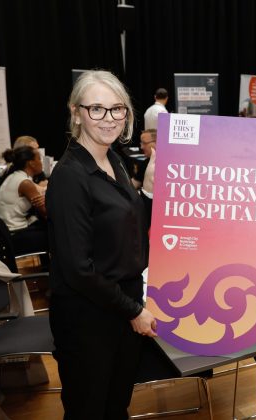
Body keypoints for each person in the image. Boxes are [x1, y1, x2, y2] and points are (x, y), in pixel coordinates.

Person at [46, 70, 157, 420]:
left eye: (116, 109)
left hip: (121, 304)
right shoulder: (69, 177)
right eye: (96, 109)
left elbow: (129, 225)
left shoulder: (114, 160)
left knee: (115, 407)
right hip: (88, 318)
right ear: (76, 111)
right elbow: (78, 270)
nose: (108, 119)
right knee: (89, 410)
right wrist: (134, 311)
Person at [0, 145, 48, 257]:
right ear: (31, 163)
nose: (41, 162)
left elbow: (42, 190)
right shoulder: (25, 183)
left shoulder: (15, 176)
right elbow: (47, 213)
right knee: (56, 232)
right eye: (39, 159)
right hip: (14, 235)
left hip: (6, 232)